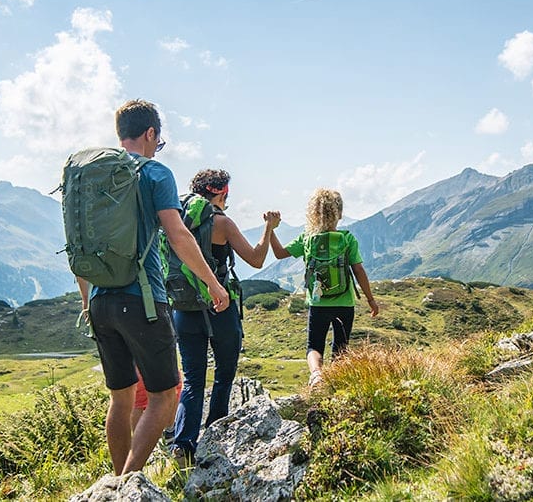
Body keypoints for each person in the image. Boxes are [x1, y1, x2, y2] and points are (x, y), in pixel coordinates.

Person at [77, 99, 229, 476]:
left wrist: (88, 302)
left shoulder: (92, 179)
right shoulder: (156, 174)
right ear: (150, 134)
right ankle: (127, 483)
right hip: (142, 300)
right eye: (158, 141)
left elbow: (79, 248)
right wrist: (212, 284)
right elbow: (177, 234)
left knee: (122, 397)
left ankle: (116, 481)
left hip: (99, 301)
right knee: (165, 397)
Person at [167, 169, 282, 462]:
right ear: (221, 192)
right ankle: (215, 433)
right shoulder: (223, 223)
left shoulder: (174, 220)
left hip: (182, 306)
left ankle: (183, 444)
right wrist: (269, 228)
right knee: (225, 370)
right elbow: (256, 260)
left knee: (193, 377)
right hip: (219, 306)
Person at [270, 188, 380, 388]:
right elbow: (359, 270)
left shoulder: (307, 239)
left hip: (318, 303)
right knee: (341, 347)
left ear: (313, 213)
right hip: (344, 303)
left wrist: (270, 229)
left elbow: (278, 253)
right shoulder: (347, 239)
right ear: (339, 213)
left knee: (314, 345)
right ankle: (337, 386)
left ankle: (317, 375)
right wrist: (370, 299)